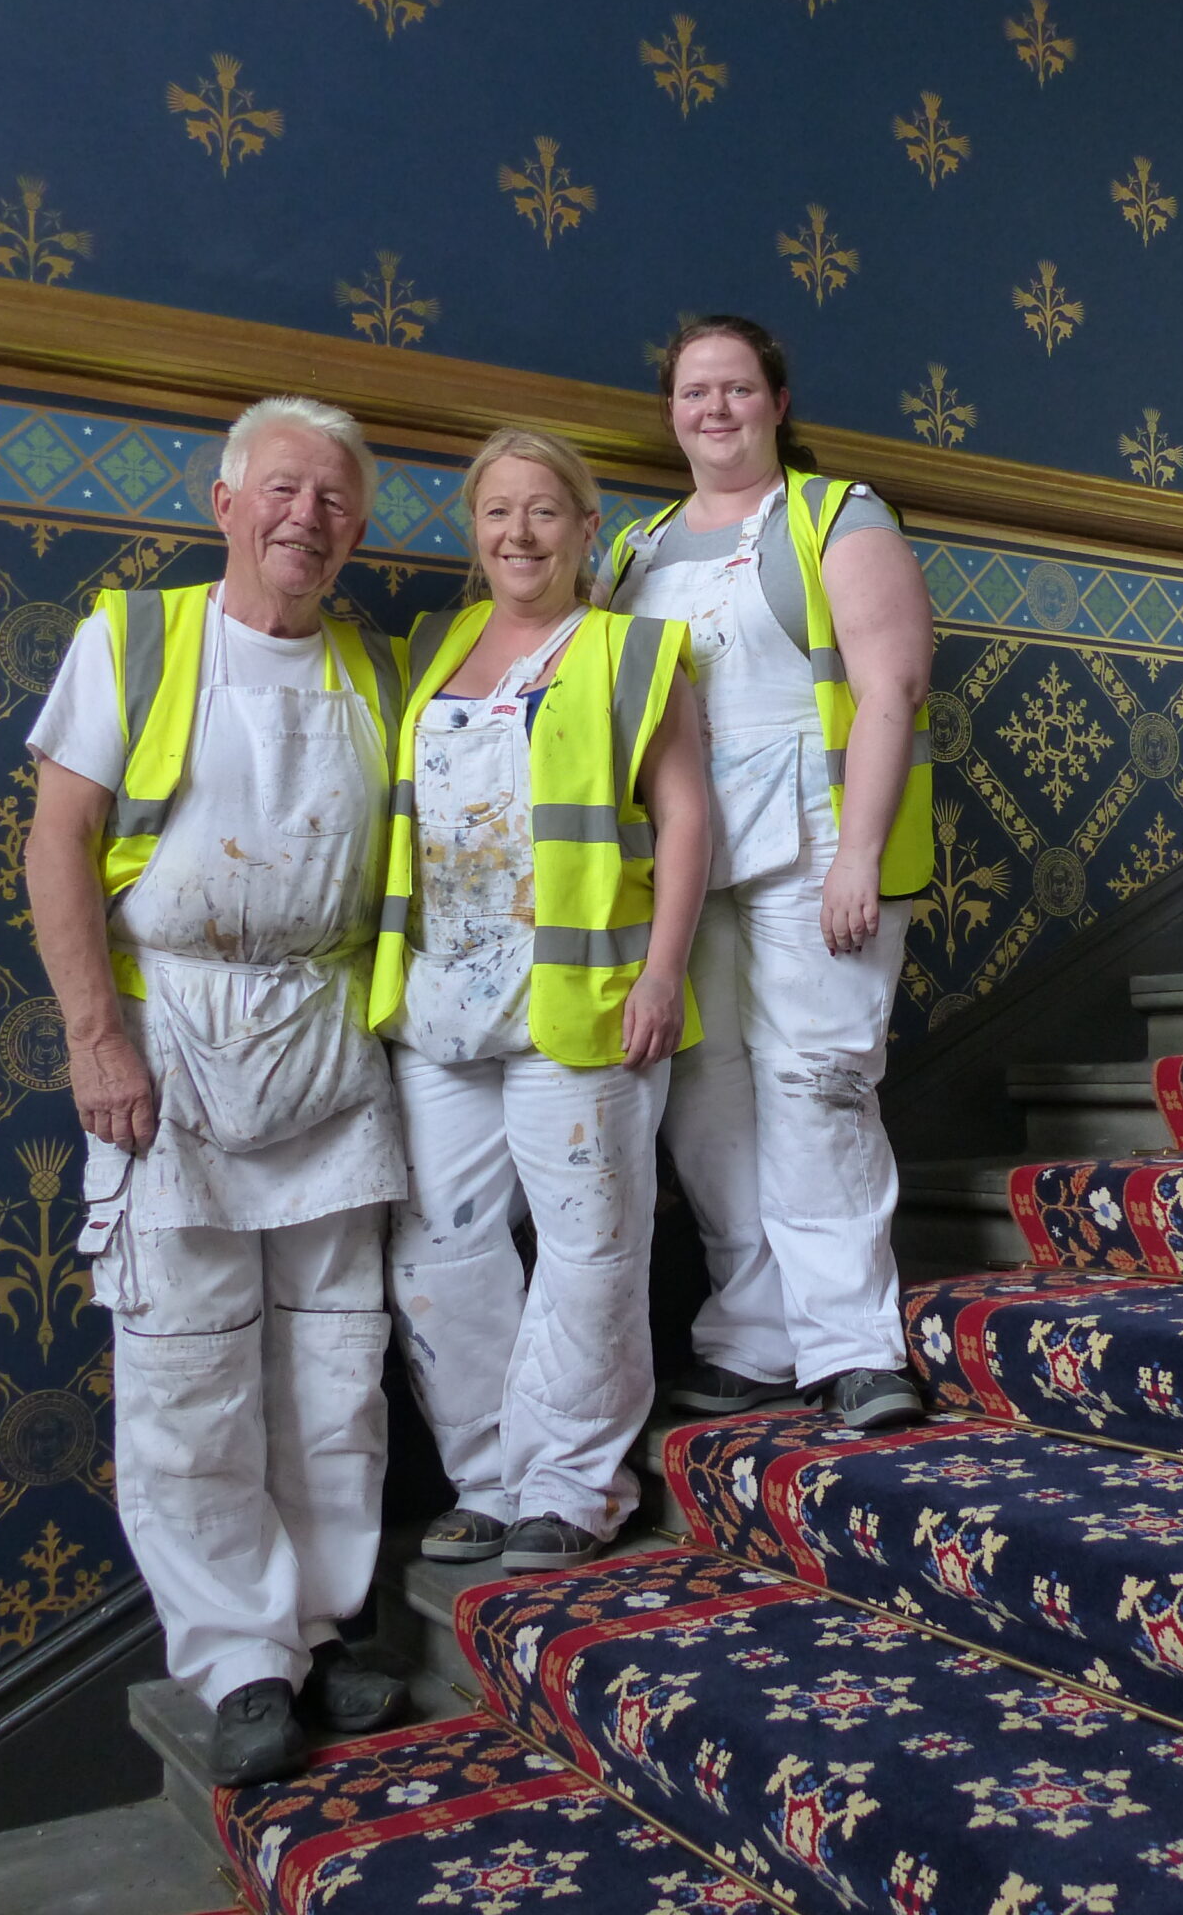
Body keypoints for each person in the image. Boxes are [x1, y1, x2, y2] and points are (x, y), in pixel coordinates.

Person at [24, 395, 408, 1787]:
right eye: (284, 490)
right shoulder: (134, 640)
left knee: (335, 1361)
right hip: (171, 1037)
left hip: (327, 1036)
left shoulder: (381, 672)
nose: (309, 518)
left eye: (336, 500)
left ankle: (322, 1623)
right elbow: (58, 844)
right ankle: (242, 1658)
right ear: (227, 503)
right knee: (187, 1367)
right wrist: (96, 1040)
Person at [373, 426, 709, 1576]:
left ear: (584, 527)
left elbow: (686, 819)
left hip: (584, 997)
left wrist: (662, 973)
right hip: (437, 1005)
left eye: (544, 511)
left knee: (589, 1248)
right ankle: (488, 1475)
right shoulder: (433, 647)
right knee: (434, 1248)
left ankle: (572, 1486)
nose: (519, 533)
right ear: (474, 531)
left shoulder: (629, 651)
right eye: (497, 512)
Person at [601, 315, 936, 1430]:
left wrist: (859, 855)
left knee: (813, 1083)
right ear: (671, 412)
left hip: (817, 838)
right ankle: (753, 1332)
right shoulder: (634, 552)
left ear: (777, 403)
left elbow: (890, 688)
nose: (715, 408)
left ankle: (852, 1343)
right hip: (685, 857)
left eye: (737, 388)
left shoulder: (836, 515)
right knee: (707, 1099)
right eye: (694, 391)